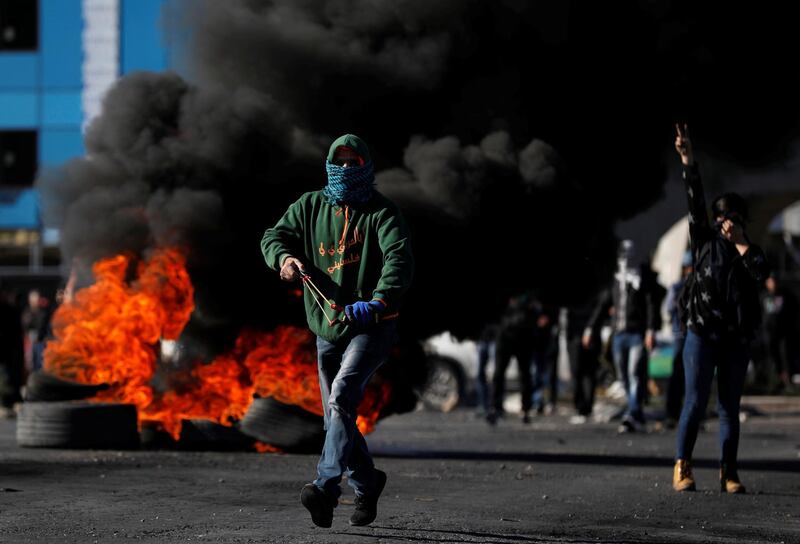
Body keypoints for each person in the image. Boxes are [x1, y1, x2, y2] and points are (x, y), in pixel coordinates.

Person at [261, 134, 414, 527]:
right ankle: (367, 482)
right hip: (327, 328)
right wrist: (285, 258)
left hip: (372, 325)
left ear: (366, 166)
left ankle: (325, 487)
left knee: (343, 394)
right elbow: (273, 237)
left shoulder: (383, 212)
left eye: (354, 162)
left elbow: (398, 260)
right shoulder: (310, 206)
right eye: (340, 162)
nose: (347, 169)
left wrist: (379, 301)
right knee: (336, 416)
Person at [672, 124, 769, 494]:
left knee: (730, 407)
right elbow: (694, 199)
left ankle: (729, 472)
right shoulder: (704, 243)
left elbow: (761, 272)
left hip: (735, 340)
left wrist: (742, 242)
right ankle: (683, 466)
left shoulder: (751, 252)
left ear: (741, 220)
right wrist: (688, 160)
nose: (724, 224)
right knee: (695, 402)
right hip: (701, 334)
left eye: (731, 218)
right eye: (721, 218)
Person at [583, 240, 658, 433]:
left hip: (636, 333)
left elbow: (651, 305)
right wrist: (591, 328)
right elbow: (603, 304)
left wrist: (650, 330)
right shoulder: (616, 279)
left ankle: (632, 414)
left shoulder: (641, 278)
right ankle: (636, 412)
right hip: (619, 334)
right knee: (623, 377)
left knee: (634, 374)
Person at [487, 292, 538, 424]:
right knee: (498, 374)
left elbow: (534, 310)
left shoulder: (528, 296)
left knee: (525, 375)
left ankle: (526, 408)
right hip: (504, 337)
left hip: (523, 338)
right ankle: (495, 407)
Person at [664, 250, 693, 427]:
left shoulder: (697, 286)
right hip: (681, 333)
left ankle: (688, 412)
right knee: (678, 371)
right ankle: (672, 411)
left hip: (693, 333)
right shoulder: (677, 287)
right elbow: (669, 307)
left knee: (692, 375)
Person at [761, 274, 798, 392]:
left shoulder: (786, 295)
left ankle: (788, 381)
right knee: (772, 357)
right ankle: (775, 381)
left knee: (786, 356)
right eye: (770, 281)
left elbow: (795, 310)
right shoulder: (763, 296)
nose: (773, 284)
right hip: (769, 333)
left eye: (775, 281)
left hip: (784, 332)